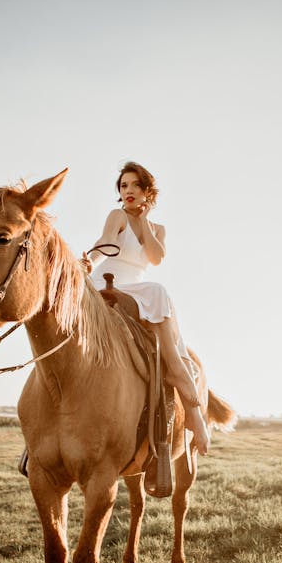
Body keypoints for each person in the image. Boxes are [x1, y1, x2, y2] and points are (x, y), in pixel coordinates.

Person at [81, 161, 210, 455]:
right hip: (108, 282)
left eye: (135, 186)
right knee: (156, 291)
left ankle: (183, 386)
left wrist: (146, 221)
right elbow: (106, 245)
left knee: (157, 292)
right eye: (123, 186)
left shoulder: (158, 229)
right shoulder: (117, 216)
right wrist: (90, 261)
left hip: (137, 289)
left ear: (147, 191)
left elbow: (155, 258)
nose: (128, 191)